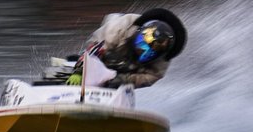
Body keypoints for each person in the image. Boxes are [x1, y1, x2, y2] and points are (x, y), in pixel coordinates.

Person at [44, 8, 187, 89]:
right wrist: (80, 71)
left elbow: (147, 79)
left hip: (127, 71)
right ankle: (57, 72)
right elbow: (95, 50)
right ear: (140, 34)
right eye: (143, 44)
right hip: (108, 43)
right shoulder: (119, 30)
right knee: (85, 69)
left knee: (112, 81)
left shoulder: (160, 65)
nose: (142, 50)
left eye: (149, 50)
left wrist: (120, 79)